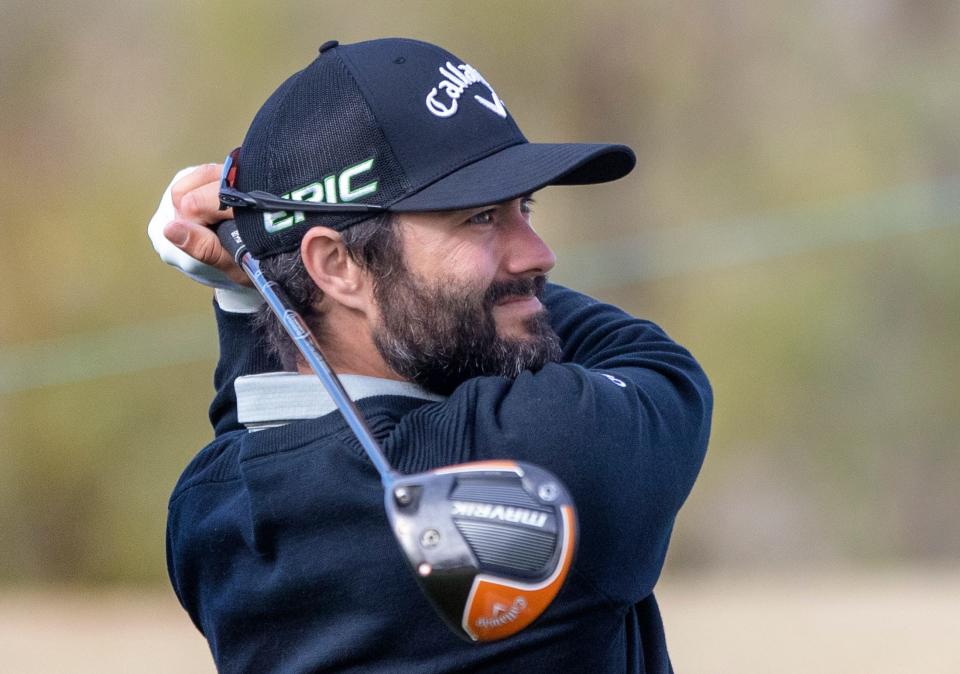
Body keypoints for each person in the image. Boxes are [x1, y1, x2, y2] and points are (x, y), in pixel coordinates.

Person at [151, 37, 712, 673]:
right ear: (337, 265)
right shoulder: (554, 452)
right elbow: (658, 365)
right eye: (479, 218)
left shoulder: (209, 513)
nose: (538, 254)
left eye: (523, 207)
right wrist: (250, 278)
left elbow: (256, 423)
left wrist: (253, 278)